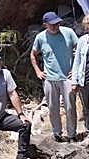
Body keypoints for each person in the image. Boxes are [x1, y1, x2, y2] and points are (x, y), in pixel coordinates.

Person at [30, 11, 79, 142]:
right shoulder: (40, 37)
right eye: (52, 24)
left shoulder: (68, 33)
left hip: (67, 77)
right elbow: (33, 54)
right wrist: (38, 71)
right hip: (50, 78)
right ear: (45, 25)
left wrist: (75, 70)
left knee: (70, 107)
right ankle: (57, 133)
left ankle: (72, 135)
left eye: (57, 23)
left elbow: (80, 50)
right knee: (53, 108)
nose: (55, 26)